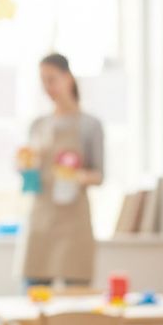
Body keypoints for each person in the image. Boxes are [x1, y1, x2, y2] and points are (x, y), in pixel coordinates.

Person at [13, 53, 105, 288]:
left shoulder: (90, 125)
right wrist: (24, 166)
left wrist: (75, 176)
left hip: (74, 221)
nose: (47, 87)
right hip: (41, 218)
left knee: (76, 299)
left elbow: (99, 175)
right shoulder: (38, 125)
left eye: (51, 79)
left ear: (69, 79)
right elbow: (28, 172)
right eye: (43, 80)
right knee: (34, 296)